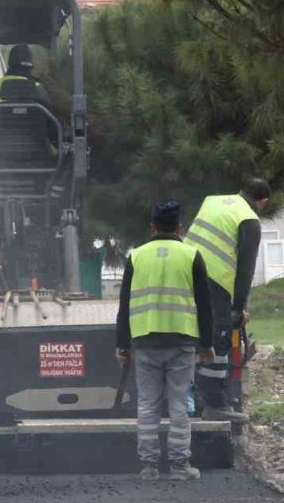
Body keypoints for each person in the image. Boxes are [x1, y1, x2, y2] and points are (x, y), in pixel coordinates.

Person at [116, 202, 215, 481]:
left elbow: (124, 305)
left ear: (152, 227)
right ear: (180, 228)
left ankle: (148, 467)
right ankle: (179, 465)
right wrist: (206, 344)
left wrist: (122, 344)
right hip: (181, 341)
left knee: (147, 404)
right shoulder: (191, 255)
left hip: (145, 340)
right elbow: (205, 305)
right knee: (179, 404)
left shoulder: (136, 256)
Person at [185, 178, 271, 424]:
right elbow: (246, 269)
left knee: (188, 335)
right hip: (214, 281)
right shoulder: (249, 220)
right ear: (262, 201)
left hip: (185, 272)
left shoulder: (212, 201)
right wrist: (239, 307)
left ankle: (186, 396)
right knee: (219, 341)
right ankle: (214, 404)